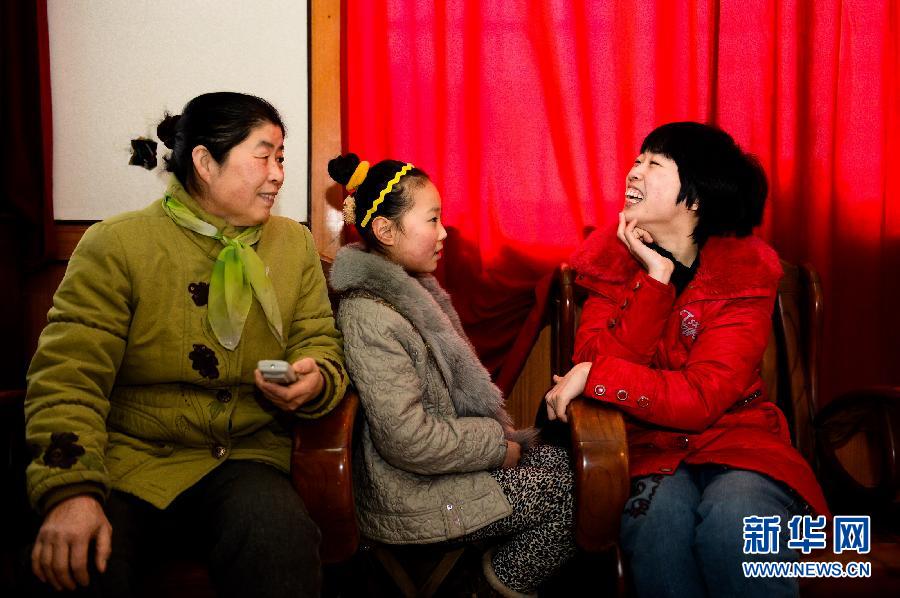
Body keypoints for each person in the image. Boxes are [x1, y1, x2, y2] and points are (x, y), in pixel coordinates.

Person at [24, 92, 347, 597]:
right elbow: (68, 375)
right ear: (203, 161)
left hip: (244, 458)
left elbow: (318, 340)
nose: (278, 174)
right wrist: (70, 492)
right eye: (263, 156)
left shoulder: (293, 244)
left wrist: (316, 376)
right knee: (86, 560)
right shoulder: (117, 244)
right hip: (131, 460)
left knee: (280, 542)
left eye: (281, 158)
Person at [544, 122, 829, 597]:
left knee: (735, 525)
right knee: (660, 528)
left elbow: (701, 397)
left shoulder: (741, 276)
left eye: (654, 163)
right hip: (646, 449)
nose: (634, 172)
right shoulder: (611, 266)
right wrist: (656, 279)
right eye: (637, 160)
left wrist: (596, 375)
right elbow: (596, 355)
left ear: (694, 200)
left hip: (741, 444)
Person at [327, 153, 575, 597]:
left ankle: (490, 577)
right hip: (408, 493)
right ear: (385, 230)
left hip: (437, 472)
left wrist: (498, 445)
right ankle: (485, 587)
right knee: (572, 492)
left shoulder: (412, 290)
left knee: (569, 461)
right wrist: (496, 449)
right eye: (433, 219)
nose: (444, 233)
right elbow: (406, 440)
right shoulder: (370, 316)